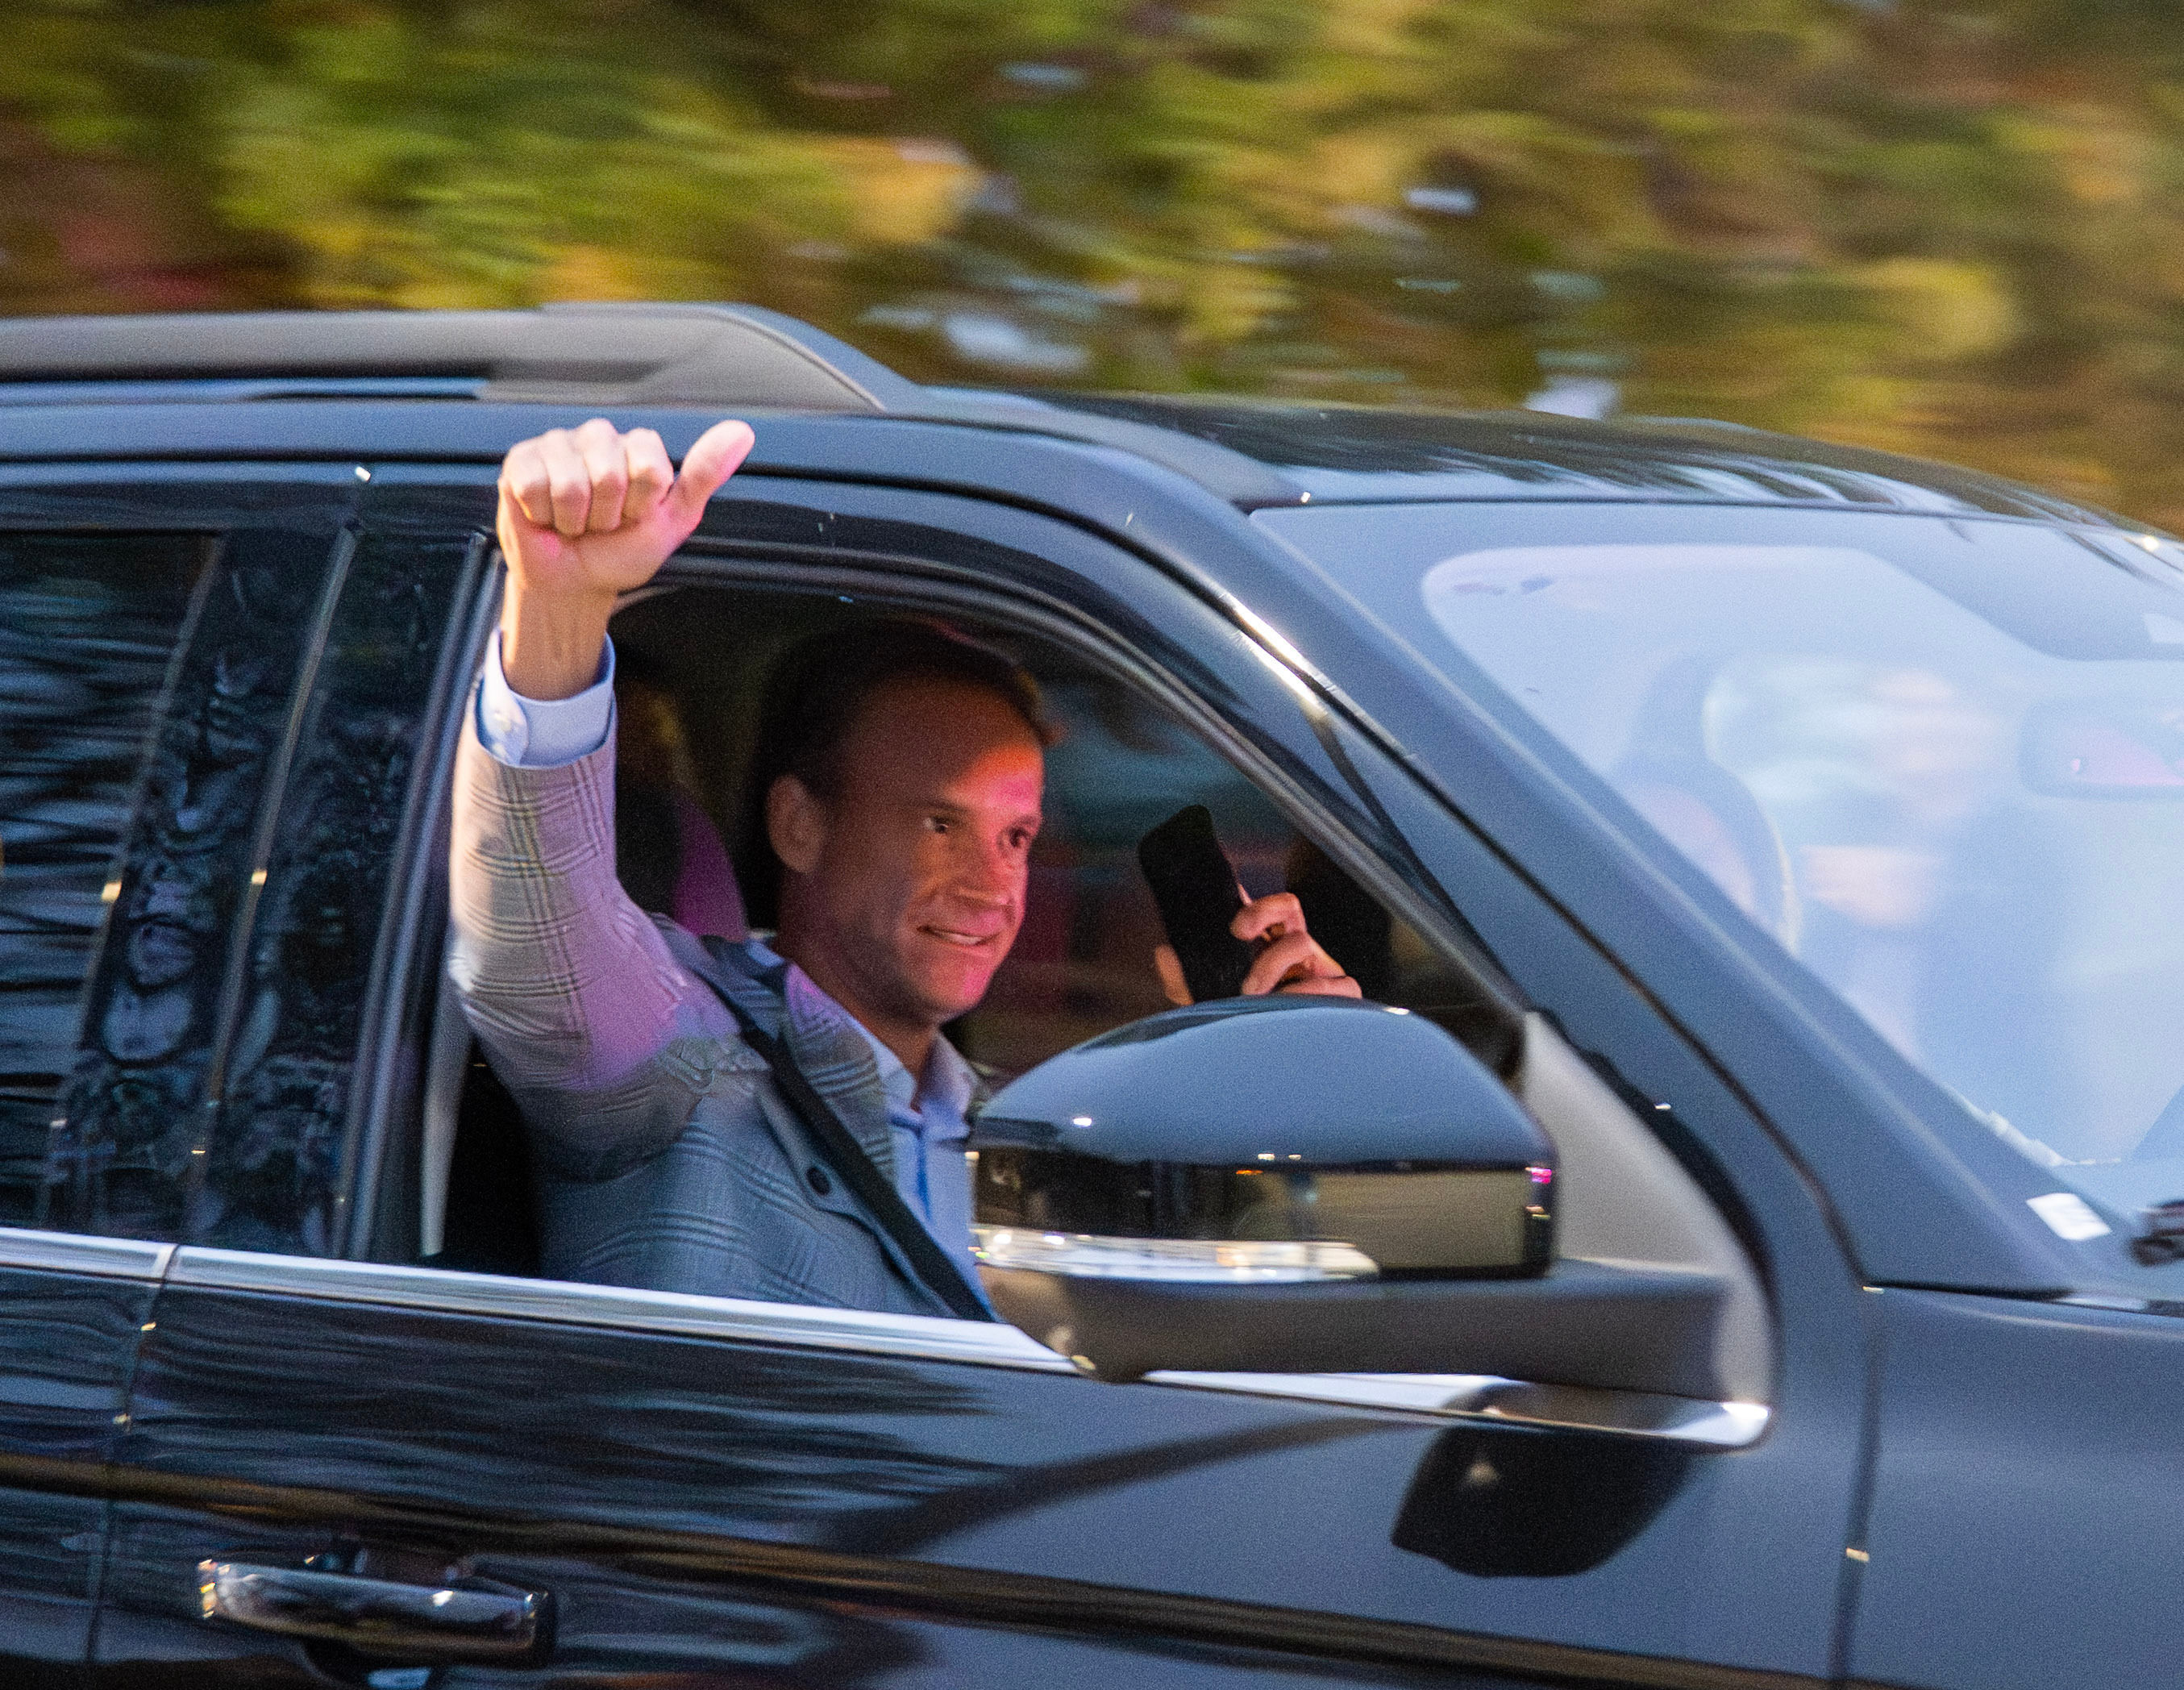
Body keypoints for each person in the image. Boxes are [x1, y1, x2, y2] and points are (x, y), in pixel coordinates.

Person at [449, 418, 1357, 1317]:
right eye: (939, 823)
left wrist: (1289, 1087)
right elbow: (537, 926)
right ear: (799, 824)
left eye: (1016, 838)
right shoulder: (678, 1052)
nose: (992, 886)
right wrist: (561, 608)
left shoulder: (1023, 1137)